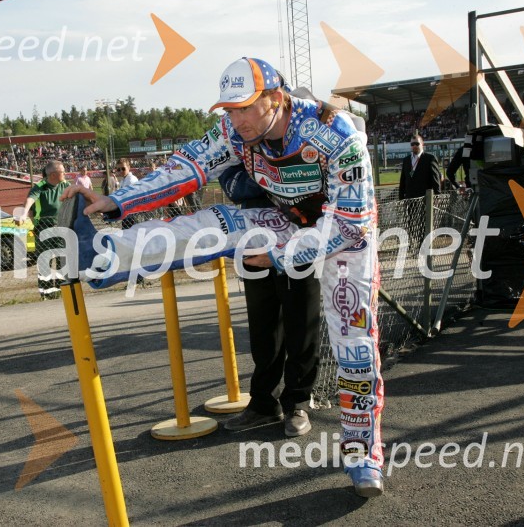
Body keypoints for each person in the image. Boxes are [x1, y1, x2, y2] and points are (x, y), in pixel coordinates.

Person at [64, 57, 385, 497]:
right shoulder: (235, 131)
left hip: (345, 238)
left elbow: (350, 221)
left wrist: (276, 257)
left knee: (355, 348)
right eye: (230, 110)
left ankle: (364, 456)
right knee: (209, 224)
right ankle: (104, 255)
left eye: (244, 108)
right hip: (284, 220)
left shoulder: (336, 132)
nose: (236, 119)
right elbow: (185, 168)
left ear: (275, 99)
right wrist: (116, 200)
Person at [219, 163, 321, 438]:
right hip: (253, 238)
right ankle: (264, 402)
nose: (241, 119)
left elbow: (313, 179)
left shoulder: (297, 131)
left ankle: (298, 403)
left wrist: (270, 179)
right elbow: (232, 183)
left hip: (299, 238)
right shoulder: (238, 136)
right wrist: (277, 181)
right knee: (263, 328)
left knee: (301, 324)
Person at [15, 160, 70, 299]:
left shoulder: (66, 185)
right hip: (44, 229)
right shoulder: (39, 187)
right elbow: (29, 201)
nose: (65, 173)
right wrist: (23, 214)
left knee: (61, 260)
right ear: (53, 174)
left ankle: (60, 290)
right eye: (62, 171)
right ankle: (46, 293)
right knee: (44, 261)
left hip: (62, 228)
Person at [398, 134, 441, 199]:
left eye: (417, 143)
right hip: (409, 199)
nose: (414, 146)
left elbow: (435, 179)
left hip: (425, 198)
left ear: (422, 144)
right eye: (412, 144)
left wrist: (438, 196)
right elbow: (403, 180)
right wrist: (401, 197)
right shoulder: (406, 160)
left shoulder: (430, 158)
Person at [115, 159, 139, 229]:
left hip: (132, 212)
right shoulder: (123, 180)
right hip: (127, 211)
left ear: (128, 167)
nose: (121, 171)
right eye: (119, 169)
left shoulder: (131, 179)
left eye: (123, 168)